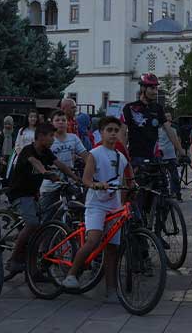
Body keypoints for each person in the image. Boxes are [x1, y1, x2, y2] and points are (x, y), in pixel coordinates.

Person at [62, 117, 134, 302]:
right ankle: (71, 274)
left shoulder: (121, 157)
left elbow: (127, 180)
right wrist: (96, 185)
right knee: (93, 239)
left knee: (112, 249)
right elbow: (86, 179)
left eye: (115, 130)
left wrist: (132, 189)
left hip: (114, 206)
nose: (112, 133)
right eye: (108, 130)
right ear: (101, 133)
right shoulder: (95, 153)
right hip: (96, 204)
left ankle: (111, 290)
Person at [6, 122, 76, 276]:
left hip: (32, 195)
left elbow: (61, 165)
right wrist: (46, 173)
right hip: (19, 194)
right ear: (40, 137)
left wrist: (76, 179)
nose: (53, 139)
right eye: (51, 136)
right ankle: (13, 260)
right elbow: (35, 162)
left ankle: (33, 272)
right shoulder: (28, 150)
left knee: (38, 231)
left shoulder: (47, 152)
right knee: (32, 224)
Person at [39, 111, 88, 220]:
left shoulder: (73, 138)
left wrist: (93, 167)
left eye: (63, 120)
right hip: (51, 182)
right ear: (52, 123)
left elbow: (85, 155)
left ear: (67, 123)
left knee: (77, 209)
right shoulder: (48, 140)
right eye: (57, 120)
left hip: (69, 181)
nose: (61, 122)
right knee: (47, 216)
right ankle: (44, 235)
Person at [119, 73, 166, 162]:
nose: (155, 92)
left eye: (156, 88)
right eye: (152, 88)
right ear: (143, 88)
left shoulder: (158, 108)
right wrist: (125, 155)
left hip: (154, 156)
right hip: (136, 156)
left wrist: (181, 152)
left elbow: (169, 131)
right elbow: (122, 133)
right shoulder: (130, 108)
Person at [156, 109, 184, 198]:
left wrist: (180, 153)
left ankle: (177, 193)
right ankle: (164, 194)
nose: (168, 118)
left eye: (169, 116)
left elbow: (178, 140)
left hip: (171, 155)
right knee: (162, 177)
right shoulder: (158, 129)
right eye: (166, 116)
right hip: (161, 155)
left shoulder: (175, 128)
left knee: (174, 176)